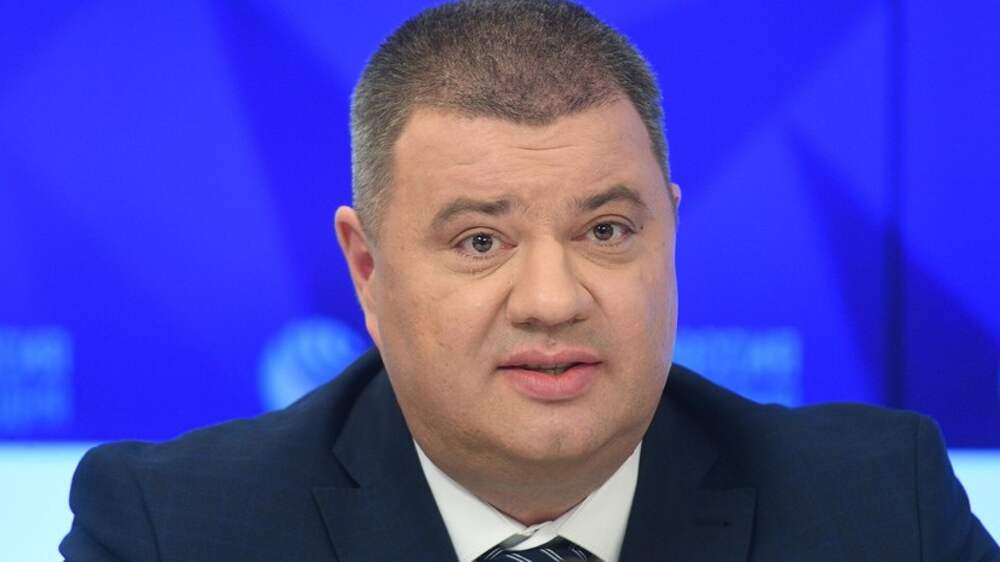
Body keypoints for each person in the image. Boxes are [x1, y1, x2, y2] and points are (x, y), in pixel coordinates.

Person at [61, 1, 998, 561]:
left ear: (670, 233)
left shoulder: (883, 510)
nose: (552, 300)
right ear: (368, 270)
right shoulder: (173, 532)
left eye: (606, 230)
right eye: (480, 242)